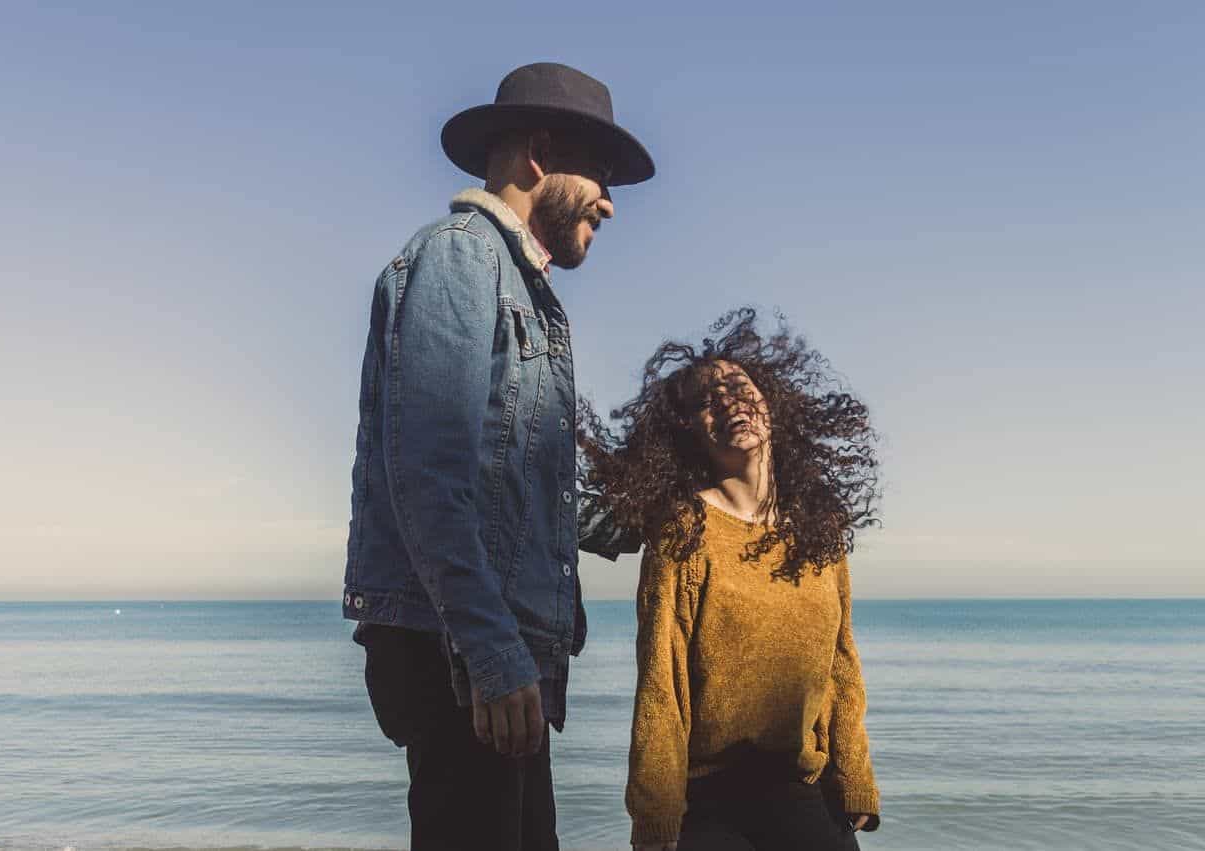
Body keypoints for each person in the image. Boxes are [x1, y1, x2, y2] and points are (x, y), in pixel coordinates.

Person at [342, 62, 655, 851]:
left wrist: (670, 504)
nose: (611, 204)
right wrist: (489, 650)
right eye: (602, 175)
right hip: (468, 652)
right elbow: (429, 477)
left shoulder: (525, 291)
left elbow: (525, 491)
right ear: (539, 157)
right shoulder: (460, 259)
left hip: (502, 651)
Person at [578, 309, 882, 850]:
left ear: (771, 404)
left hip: (801, 789)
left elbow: (841, 664)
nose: (728, 403)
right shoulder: (683, 531)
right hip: (708, 802)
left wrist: (854, 776)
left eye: (739, 388)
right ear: (689, 429)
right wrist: (656, 815)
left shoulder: (819, 531)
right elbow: (662, 680)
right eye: (706, 401)